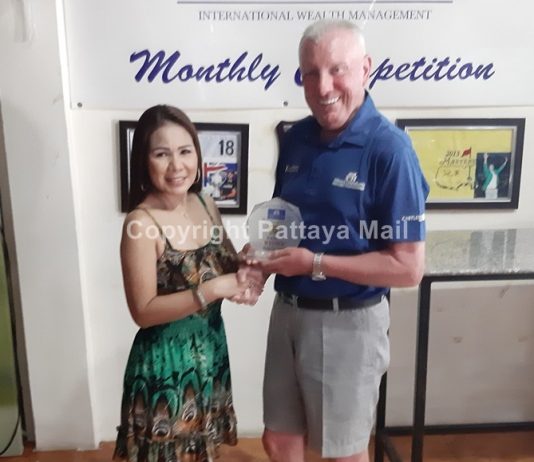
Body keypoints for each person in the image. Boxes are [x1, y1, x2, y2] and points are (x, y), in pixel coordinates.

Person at [254, 20, 429, 462]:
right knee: (279, 440)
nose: (323, 87)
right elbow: (283, 223)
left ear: (366, 69)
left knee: (342, 454)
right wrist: (257, 261)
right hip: (287, 312)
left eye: (338, 70)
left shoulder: (391, 150)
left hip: (348, 321)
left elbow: (408, 268)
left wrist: (314, 263)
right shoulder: (296, 138)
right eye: (310, 73)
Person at [113, 105, 261, 462]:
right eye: (162, 154)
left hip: (210, 353)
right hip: (165, 366)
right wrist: (211, 290)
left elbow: (224, 262)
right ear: (144, 161)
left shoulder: (205, 202)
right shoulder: (140, 224)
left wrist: (249, 261)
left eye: (185, 151)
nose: (176, 165)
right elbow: (142, 311)